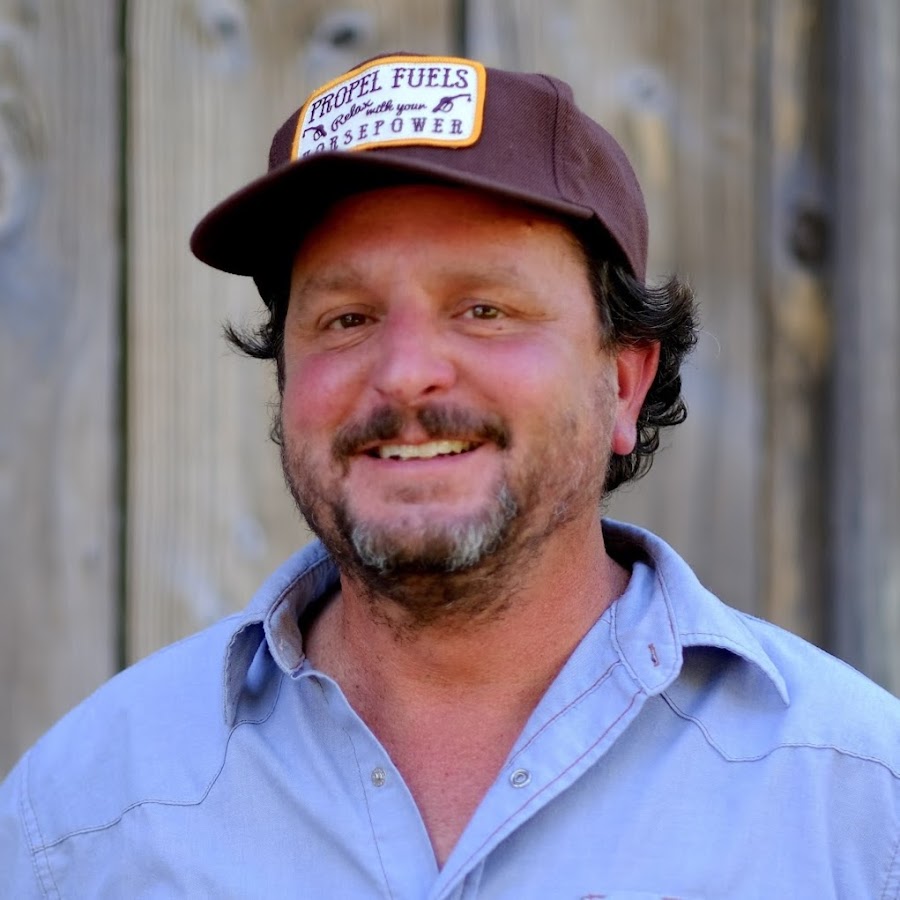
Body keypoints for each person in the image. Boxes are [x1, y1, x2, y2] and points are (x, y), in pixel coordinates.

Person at [2, 51, 899, 899]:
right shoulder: (82, 819)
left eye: (484, 309)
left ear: (623, 384)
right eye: (347, 319)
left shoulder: (855, 802)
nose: (404, 374)